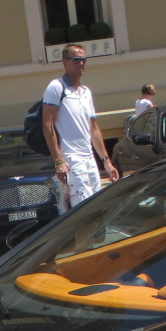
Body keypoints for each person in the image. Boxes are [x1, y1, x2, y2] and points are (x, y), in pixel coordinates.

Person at [43, 45, 119, 211]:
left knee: (98, 206)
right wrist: (59, 161)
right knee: (84, 210)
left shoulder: (86, 92)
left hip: (90, 158)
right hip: (72, 159)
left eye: (84, 60)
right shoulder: (56, 87)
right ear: (65, 62)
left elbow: (94, 129)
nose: (81, 63)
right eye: (76, 60)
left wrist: (106, 162)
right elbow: (47, 126)